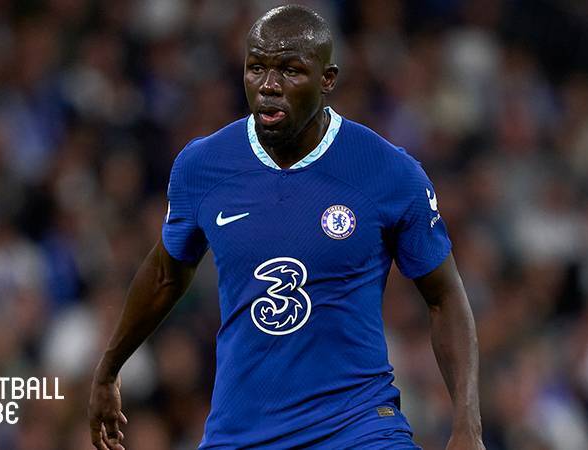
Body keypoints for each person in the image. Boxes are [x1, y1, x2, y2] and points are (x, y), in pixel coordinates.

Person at [89, 5, 484, 450]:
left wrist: (467, 425)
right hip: (240, 434)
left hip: (358, 428)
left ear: (327, 79)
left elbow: (444, 297)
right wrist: (108, 369)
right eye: (256, 68)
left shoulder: (388, 172)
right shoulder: (202, 166)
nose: (269, 85)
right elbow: (166, 273)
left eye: (290, 71)